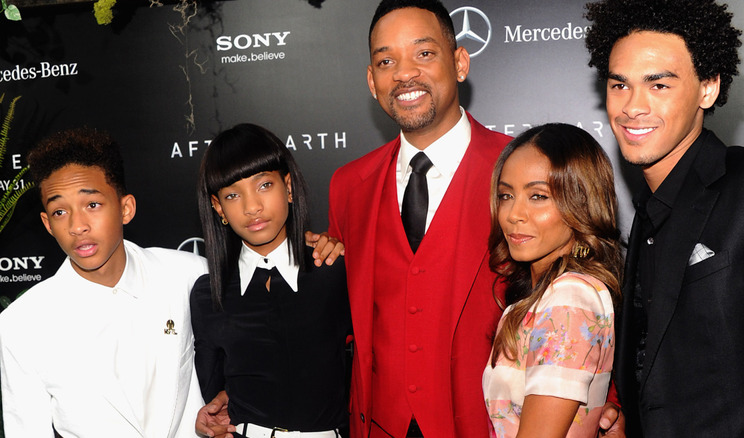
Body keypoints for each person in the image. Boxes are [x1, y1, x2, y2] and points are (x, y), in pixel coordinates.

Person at [585, 0, 744, 436]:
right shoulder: (644, 216)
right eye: (620, 86)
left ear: (707, 89)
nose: (632, 107)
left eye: (659, 86)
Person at [327, 1, 512, 437]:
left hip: (490, 423)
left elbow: (571, 296)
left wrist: (606, 401)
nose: (404, 73)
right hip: (378, 423)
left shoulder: (521, 165)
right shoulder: (348, 185)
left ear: (460, 63)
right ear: (372, 82)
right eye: (386, 61)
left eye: (424, 54)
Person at [0, 128, 207, 437]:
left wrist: (304, 251)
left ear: (125, 208)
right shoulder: (20, 324)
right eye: (59, 211)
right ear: (47, 224)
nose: (77, 226)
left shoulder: (187, 274)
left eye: (92, 205)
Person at [190, 123, 351, 438]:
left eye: (264, 185)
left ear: (288, 187)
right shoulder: (209, 295)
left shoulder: (333, 269)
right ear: (218, 207)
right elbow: (211, 396)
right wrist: (211, 418)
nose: (252, 207)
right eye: (233, 194)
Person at [483, 124, 623, 438]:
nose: (514, 214)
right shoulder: (550, 295)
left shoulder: (569, 298)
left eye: (538, 196)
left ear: (580, 203)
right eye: (506, 195)